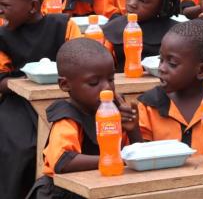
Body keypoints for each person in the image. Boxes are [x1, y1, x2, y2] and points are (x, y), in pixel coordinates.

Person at [0, 0, 81, 199]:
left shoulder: (63, 25)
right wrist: (21, 84)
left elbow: (79, 61)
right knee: (16, 147)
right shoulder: (4, 36)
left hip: (64, 98)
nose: (1, 12)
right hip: (19, 102)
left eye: (6, 6)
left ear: (33, 6)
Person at [27, 38, 139, 199]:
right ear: (65, 85)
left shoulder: (113, 113)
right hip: (63, 193)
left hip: (100, 189)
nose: (107, 88)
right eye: (94, 82)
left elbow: (135, 155)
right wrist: (112, 160)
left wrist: (133, 130)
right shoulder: (67, 117)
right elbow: (62, 161)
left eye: (111, 79)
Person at [127, 20, 203, 151]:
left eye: (172, 63)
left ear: (202, 70)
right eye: (161, 59)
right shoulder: (149, 106)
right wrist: (133, 130)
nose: (161, 68)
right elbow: (142, 156)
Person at [103, 0, 180, 72]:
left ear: (163, 3)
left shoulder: (177, 33)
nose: (131, 3)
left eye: (142, 0)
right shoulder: (113, 28)